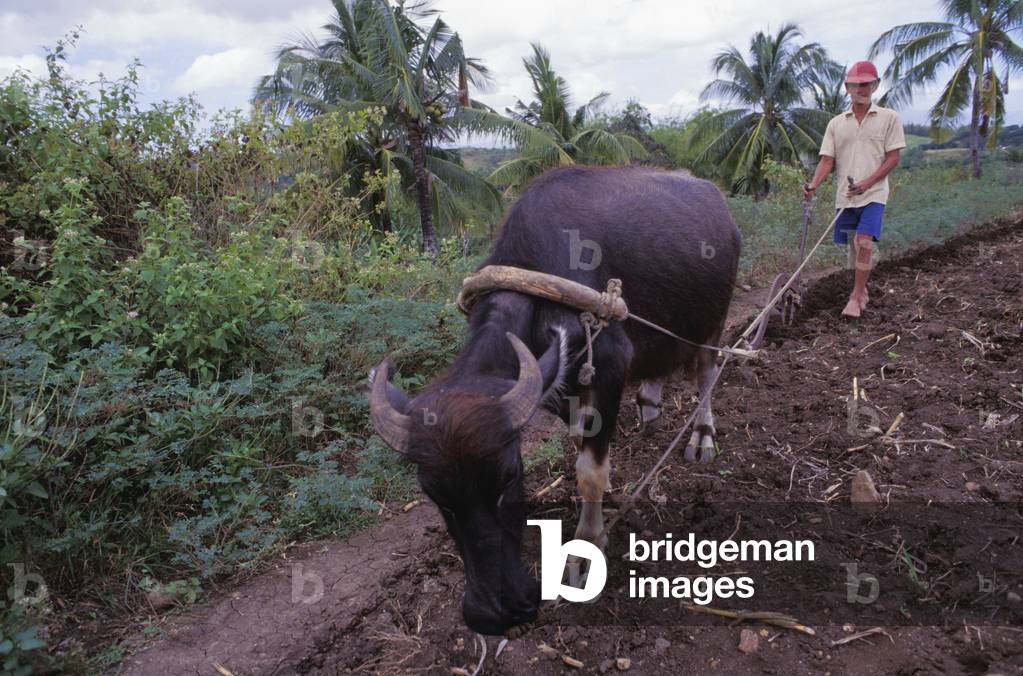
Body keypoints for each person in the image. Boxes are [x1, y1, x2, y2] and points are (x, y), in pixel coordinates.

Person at [803, 60, 906, 318]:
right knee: (854, 251)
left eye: (866, 84)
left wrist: (867, 183)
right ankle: (861, 286)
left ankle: (856, 294)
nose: (861, 89)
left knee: (864, 243)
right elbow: (827, 160)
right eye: (855, 85)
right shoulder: (836, 124)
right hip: (846, 197)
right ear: (847, 88)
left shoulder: (889, 118)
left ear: (875, 85)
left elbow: (893, 158)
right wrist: (814, 185)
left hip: (873, 194)